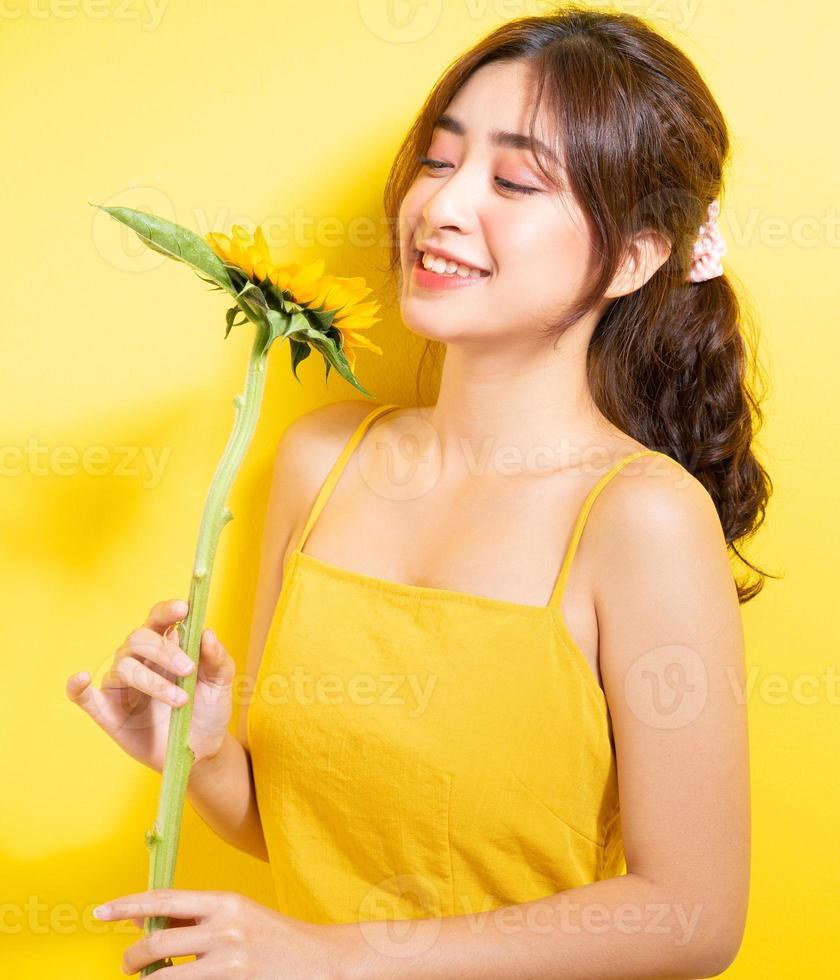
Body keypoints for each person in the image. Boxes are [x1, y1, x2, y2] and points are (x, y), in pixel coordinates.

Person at [66, 7, 772, 976]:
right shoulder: (319, 459)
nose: (441, 206)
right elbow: (297, 829)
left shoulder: (640, 517)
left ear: (636, 256)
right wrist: (205, 749)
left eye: (514, 179)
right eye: (439, 162)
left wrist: (329, 956)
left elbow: (693, 916)